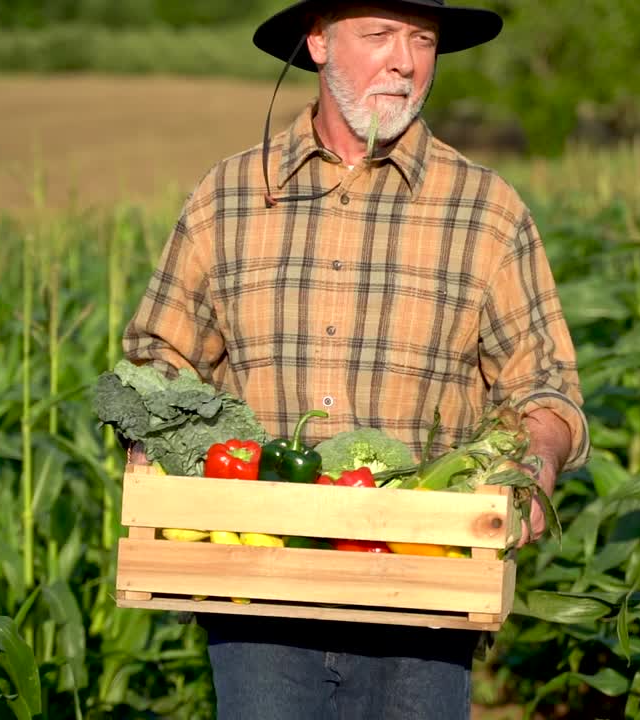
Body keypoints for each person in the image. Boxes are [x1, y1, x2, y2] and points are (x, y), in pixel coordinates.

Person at [121, 1, 591, 717]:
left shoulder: (486, 211)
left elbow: (546, 387)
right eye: (380, 35)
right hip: (256, 595)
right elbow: (159, 357)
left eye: (422, 40)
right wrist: (155, 435)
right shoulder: (229, 198)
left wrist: (537, 456)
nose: (405, 61)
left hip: (424, 600)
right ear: (317, 41)